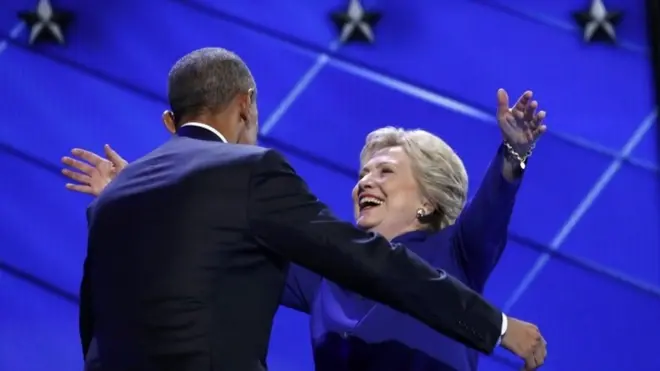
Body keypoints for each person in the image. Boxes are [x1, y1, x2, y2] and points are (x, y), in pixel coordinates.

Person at [63, 47, 547, 371]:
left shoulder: (458, 252)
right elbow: (219, 245)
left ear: (429, 200)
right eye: (362, 173)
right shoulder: (323, 274)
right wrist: (153, 196)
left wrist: (515, 153)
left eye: (384, 171)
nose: (365, 181)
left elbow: (494, 203)